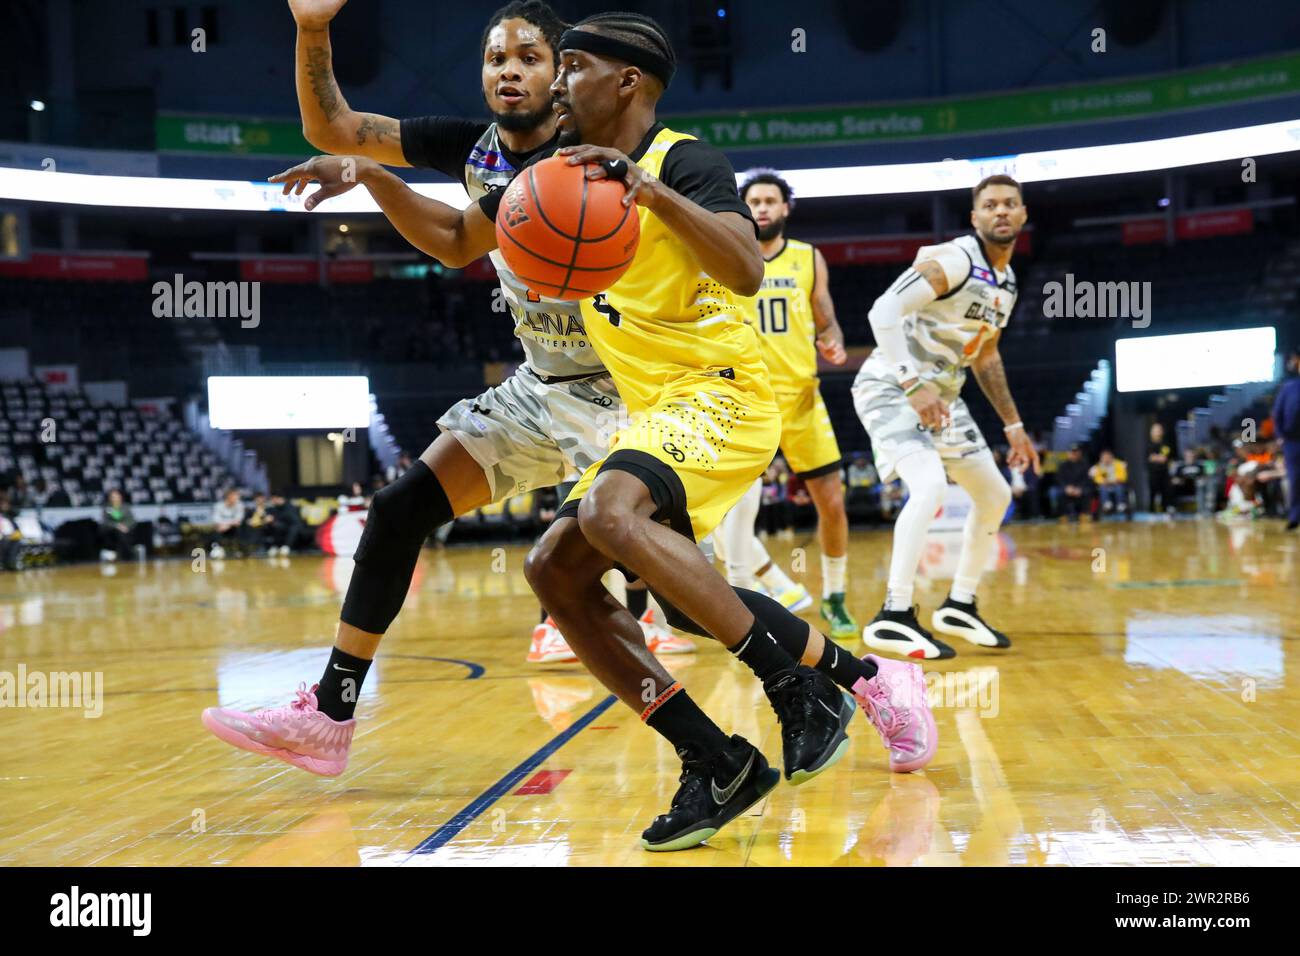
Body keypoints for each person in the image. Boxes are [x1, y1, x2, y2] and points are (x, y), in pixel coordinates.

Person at [244, 11, 935, 850]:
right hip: (563, 387)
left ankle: (823, 683)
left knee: (663, 584)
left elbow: (748, 267)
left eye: (548, 61)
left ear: (612, 82)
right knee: (536, 566)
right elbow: (451, 228)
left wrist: (645, 189)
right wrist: (323, 50)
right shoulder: (503, 159)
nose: (535, 77)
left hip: (686, 393)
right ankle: (718, 756)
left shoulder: (667, 158)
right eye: (503, 57)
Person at [275, 0, 677, 667]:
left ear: (562, 75)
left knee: (680, 590)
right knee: (399, 509)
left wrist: (370, 177)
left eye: (530, 57)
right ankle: (330, 711)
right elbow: (336, 129)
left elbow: (456, 241)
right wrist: (312, 28)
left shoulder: (592, 154)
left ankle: (845, 678)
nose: (510, 71)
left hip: (630, 386)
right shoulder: (473, 147)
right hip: (543, 384)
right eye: (496, 58)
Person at [853, 174, 1038, 659]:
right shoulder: (955, 260)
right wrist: (912, 384)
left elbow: (986, 356)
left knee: (995, 494)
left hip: (944, 401)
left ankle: (959, 603)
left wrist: (1014, 426)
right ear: (974, 218)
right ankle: (893, 615)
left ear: (1022, 215)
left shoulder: (1007, 283)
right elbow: (882, 311)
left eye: (1010, 204)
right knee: (930, 487)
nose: (1001, 211)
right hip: (890, 387)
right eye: (991, 205)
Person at [711, 170, 856, 637]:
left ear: (786, 208)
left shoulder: (809, 258)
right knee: (732, 505)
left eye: (772, 200)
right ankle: (739, 596)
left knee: (832, 503)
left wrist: (832, 340)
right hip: (747, 400)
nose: (764, 207)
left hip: (801, 400)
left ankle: (834, 596)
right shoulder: (727, 259)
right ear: (743, 207)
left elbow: (827, 319)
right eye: (755, 200)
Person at [1272, 347, 1300, 530]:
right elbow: (1277, 413)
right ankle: (1294, 517)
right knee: (1295, 479)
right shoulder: (1289, 387)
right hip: (1293, 442)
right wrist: (1280, 436)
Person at [1055, 444, 1093, 522]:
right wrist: (1066, 488)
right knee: (1058, 492)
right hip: (1066, 488)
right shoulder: (1062, 465)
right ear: (1068, 453)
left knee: (1087, 491)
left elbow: (1087, 479)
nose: (1074, 454)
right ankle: (1063, 515)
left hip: (1080, 488)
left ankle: (1084, 513)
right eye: (1072, 452)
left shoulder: (1085, 465)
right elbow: (1059, 479)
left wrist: (1080, 488)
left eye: (1076, 452)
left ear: (1080, 453)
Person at [99, 488, 137, 562]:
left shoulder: (126, 506)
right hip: (111, 530)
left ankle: (125, 555)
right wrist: (117, 526)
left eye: (116, 496)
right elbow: (105, 521)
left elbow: (131, 520)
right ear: (109, 498)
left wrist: (125, 526)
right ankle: (128, 554)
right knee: (119, 533)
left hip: (126, 529)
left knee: (123, 534)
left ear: (120, 497)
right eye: (113, 496)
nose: (115, 498)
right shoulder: (107, 507)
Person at [1089, 449, 1128, 517]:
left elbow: (1123, 475)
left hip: (1116, 484)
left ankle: (1120, 504)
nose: (1106, 459)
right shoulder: (1097, 467)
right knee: (1102, 487)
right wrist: (1102, 481)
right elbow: (1096, 478)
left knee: (1119, 487)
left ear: (1112, 457)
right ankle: (1106, 504)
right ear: (1101, 458)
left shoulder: (1119, 464)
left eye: (1108, 457)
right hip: (1105, 485)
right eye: (1104, 458)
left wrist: (1116, 480)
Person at [210, 488, 244, 559]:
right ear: (229, 497)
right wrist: (225, 525)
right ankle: (217, 549)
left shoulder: (239, 505)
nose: (237, 499)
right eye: (235, 497)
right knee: (216, 529)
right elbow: (216, 520)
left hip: (232, 528)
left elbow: (238, 520)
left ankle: (239, 550)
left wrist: (227, 525)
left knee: (240, 528)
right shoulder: (218, 506)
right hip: (221, 528)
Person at [1146, 422, 1172, 514]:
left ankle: (1165, 510)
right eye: (1155, 430)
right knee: (1153, 492)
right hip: (1153, 472)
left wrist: (1155, 457)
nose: (1157, 432)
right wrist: (1157, 458)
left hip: (1164, 472)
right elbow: (1150, 458)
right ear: (1151, 432)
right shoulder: (1148, 444)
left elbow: (1164, 458)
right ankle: (1151, 512)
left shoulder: (1165, 444)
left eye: (1159, 430)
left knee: (1165, 492)